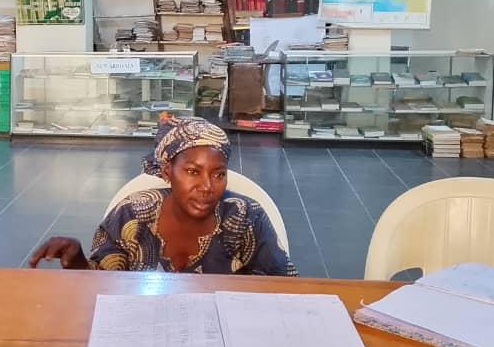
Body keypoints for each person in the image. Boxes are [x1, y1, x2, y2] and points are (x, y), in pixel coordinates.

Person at [29, 114, 295, 275]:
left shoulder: (247, 217)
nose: (207, 186)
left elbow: (281, 289)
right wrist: (77, 263)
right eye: (192, 171)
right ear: (167, 172)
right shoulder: (132, 214)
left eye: (218, 174)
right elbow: (103, 287)